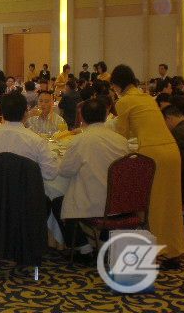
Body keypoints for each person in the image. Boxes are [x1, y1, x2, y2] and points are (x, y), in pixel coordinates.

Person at [111, 64, 184, 268]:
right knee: (171, 203)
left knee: (155, 205)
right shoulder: (146, 97)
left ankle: (159, 251)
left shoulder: (124, 101)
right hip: (171, 150)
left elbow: (121, 134)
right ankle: (174, 250)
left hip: (154, 155)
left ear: (117, 85)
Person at [51, 98, 129, 262]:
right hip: (121, 201)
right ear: (106, 115)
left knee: (58, 201)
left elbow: (65, 171)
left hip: (93, 202)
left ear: (82, 117)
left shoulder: (81, 140)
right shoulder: (121, 140)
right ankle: (104, 242)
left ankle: (83, 248)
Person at [0, 92, 58, 180]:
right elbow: (50, 173)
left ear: (2, 113)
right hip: (24, 189)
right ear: (26, 113)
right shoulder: (36, 141)